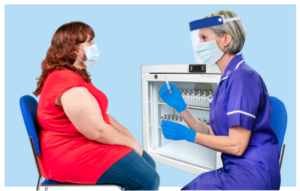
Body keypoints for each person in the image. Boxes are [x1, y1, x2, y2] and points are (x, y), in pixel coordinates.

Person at [159, 10, 280, 190]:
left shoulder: (242, 77)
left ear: (225, 39)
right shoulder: (227, 79)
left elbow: (237, 145)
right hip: (236, 169)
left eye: (204, 37)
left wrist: (188, 135)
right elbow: (212, 133)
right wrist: (182, 107)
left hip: (253, 173)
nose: (199, 44)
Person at [33, 21, 160, 190]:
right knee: (148, 179)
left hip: (79, 142)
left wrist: (128, 136)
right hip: (67, 152)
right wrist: (132, 143)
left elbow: (101, 115)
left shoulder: (75, 76)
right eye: (89, 42)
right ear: (73, 49)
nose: (94, 46)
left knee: (148, 163)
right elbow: (97, 130)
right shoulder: (65, 81)